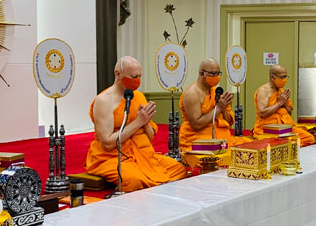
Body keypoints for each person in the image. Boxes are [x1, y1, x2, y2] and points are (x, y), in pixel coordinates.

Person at [85, 56, 186, 191]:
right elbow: (108, 143)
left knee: (178, 168)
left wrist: (145, 123)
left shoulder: (138, 97)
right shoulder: (104, 101)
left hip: (143, 155)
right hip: (113, 157)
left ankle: (154, 192)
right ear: (118, 74)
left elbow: (149, 138)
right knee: (134, 181)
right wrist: (138, 122)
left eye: (139, 76)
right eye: (133, 76)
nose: (137, 81)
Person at [179, 58, 252, 152]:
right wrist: (219, 108)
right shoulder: (192, 94)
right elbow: (196, 125)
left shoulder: (216, 92)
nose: (216, 77)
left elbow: (229, 121)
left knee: (251, 146)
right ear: (202, 74)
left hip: (223, 138)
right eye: (213, 74)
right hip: (199, 140)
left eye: (218, 73)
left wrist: (224, 108)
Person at [252, 65, 316, 147]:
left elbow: (289, 113)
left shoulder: (281, 92)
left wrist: (285, 104)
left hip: (285, 129)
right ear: (272, 77)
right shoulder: (263, 91)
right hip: (268, 129)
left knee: (309, 138)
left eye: (286, 77)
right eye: (282, 77)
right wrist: (279, 104)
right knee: (280, 143)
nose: (285, 80)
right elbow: (262, 113)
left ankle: (288, 147)